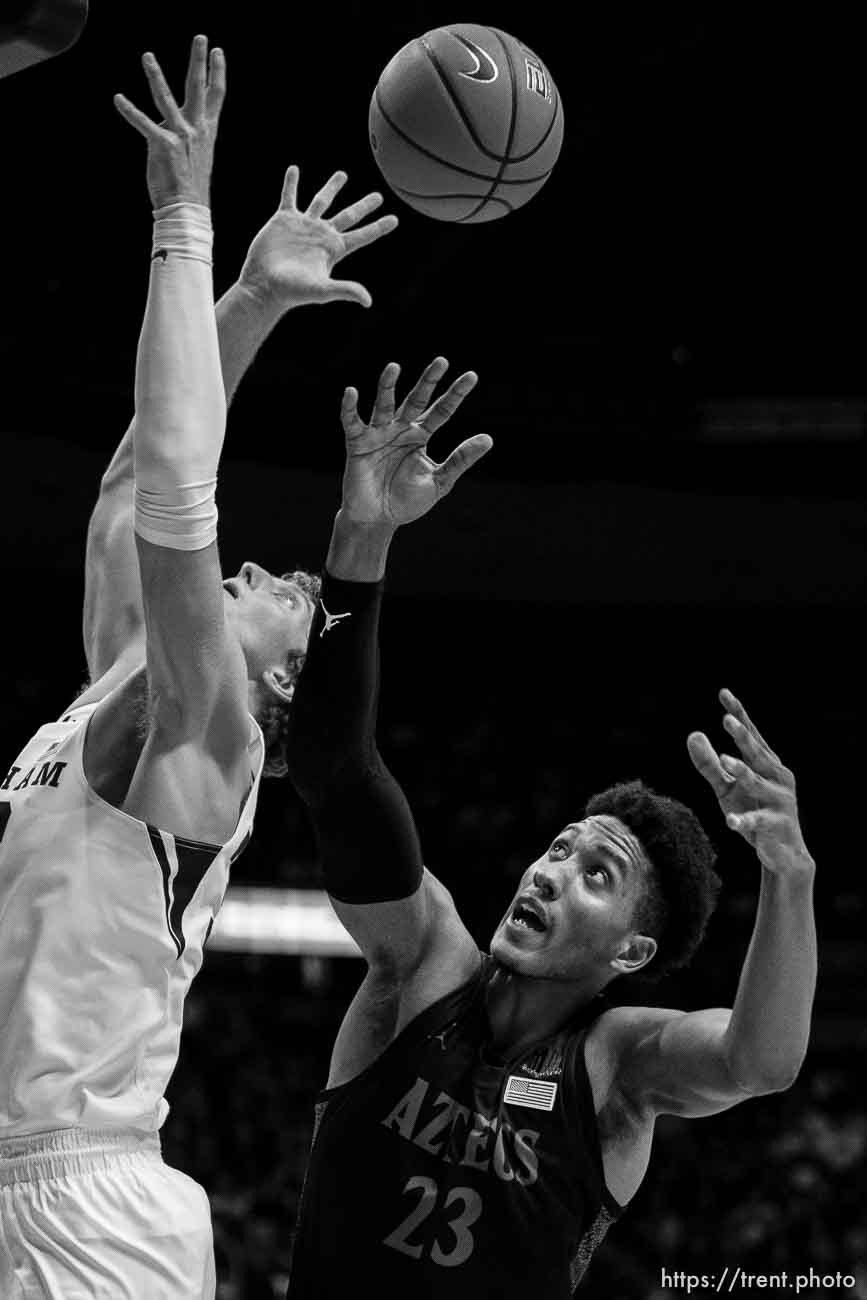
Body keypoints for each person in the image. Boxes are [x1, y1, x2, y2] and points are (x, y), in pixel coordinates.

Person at [0, 34, 397, 1299]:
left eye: (296, 602)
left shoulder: (210, 743)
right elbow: (129, 484)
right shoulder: (119, 690)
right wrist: (257, 303)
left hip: (90, 1205)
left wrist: (187, 226)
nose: (277, 577)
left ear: (280, 687)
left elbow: (179, 488)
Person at [283, 359, 818, 1297]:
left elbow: (759, 1063)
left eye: (595, 876)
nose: (549, 871)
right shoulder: (423, 967)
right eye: (559, 848)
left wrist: (790, 875)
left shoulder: (618, 1066)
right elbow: (336, 769)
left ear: (631, 948)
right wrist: (360, 534)